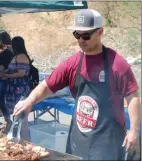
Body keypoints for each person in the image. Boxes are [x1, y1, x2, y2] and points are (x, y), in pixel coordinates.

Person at [13, 9, 140, 160]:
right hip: (78, 138)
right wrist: (29, 101)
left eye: (86, 35)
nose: (81, 40)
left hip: (107, 141)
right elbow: (47, 86)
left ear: (100, 32)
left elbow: (133, 97)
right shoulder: (73, 63)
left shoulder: (117, 64)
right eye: (76, 34)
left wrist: (133, 131)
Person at [2, 36, 31, 137]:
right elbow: (13, 69)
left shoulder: (21, 56)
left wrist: (7, 75)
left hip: (19, 88)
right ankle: (21, 139)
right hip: (14, 87)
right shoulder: (18, 56)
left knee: (22, 117)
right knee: (17, 116)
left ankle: (25, 140)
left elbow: (21, 73)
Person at [0, 29, 15, 126]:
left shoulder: (8, 49)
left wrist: (0, 73)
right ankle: (8, 118)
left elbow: (6, 65)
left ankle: (8, 118)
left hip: (3, 77)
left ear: (2, 39)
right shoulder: (1, 48)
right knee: (0, 98)